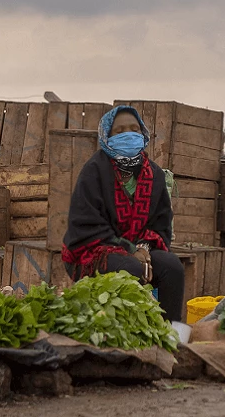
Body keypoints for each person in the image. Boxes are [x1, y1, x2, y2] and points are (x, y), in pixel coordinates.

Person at [62, 106, 185, 321]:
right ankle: (124, 331)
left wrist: (144, 247)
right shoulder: (94, 171)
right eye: (119, 131)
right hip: (91, 251)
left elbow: (161, 223)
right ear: (107, 137)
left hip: (139, 248)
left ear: (143, 133)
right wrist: (129, 250)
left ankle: (168, 333)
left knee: (171, 267)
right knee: (130, 267)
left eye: (134, 129)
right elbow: (88, 227)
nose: (128, 134)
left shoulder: (153, 174)